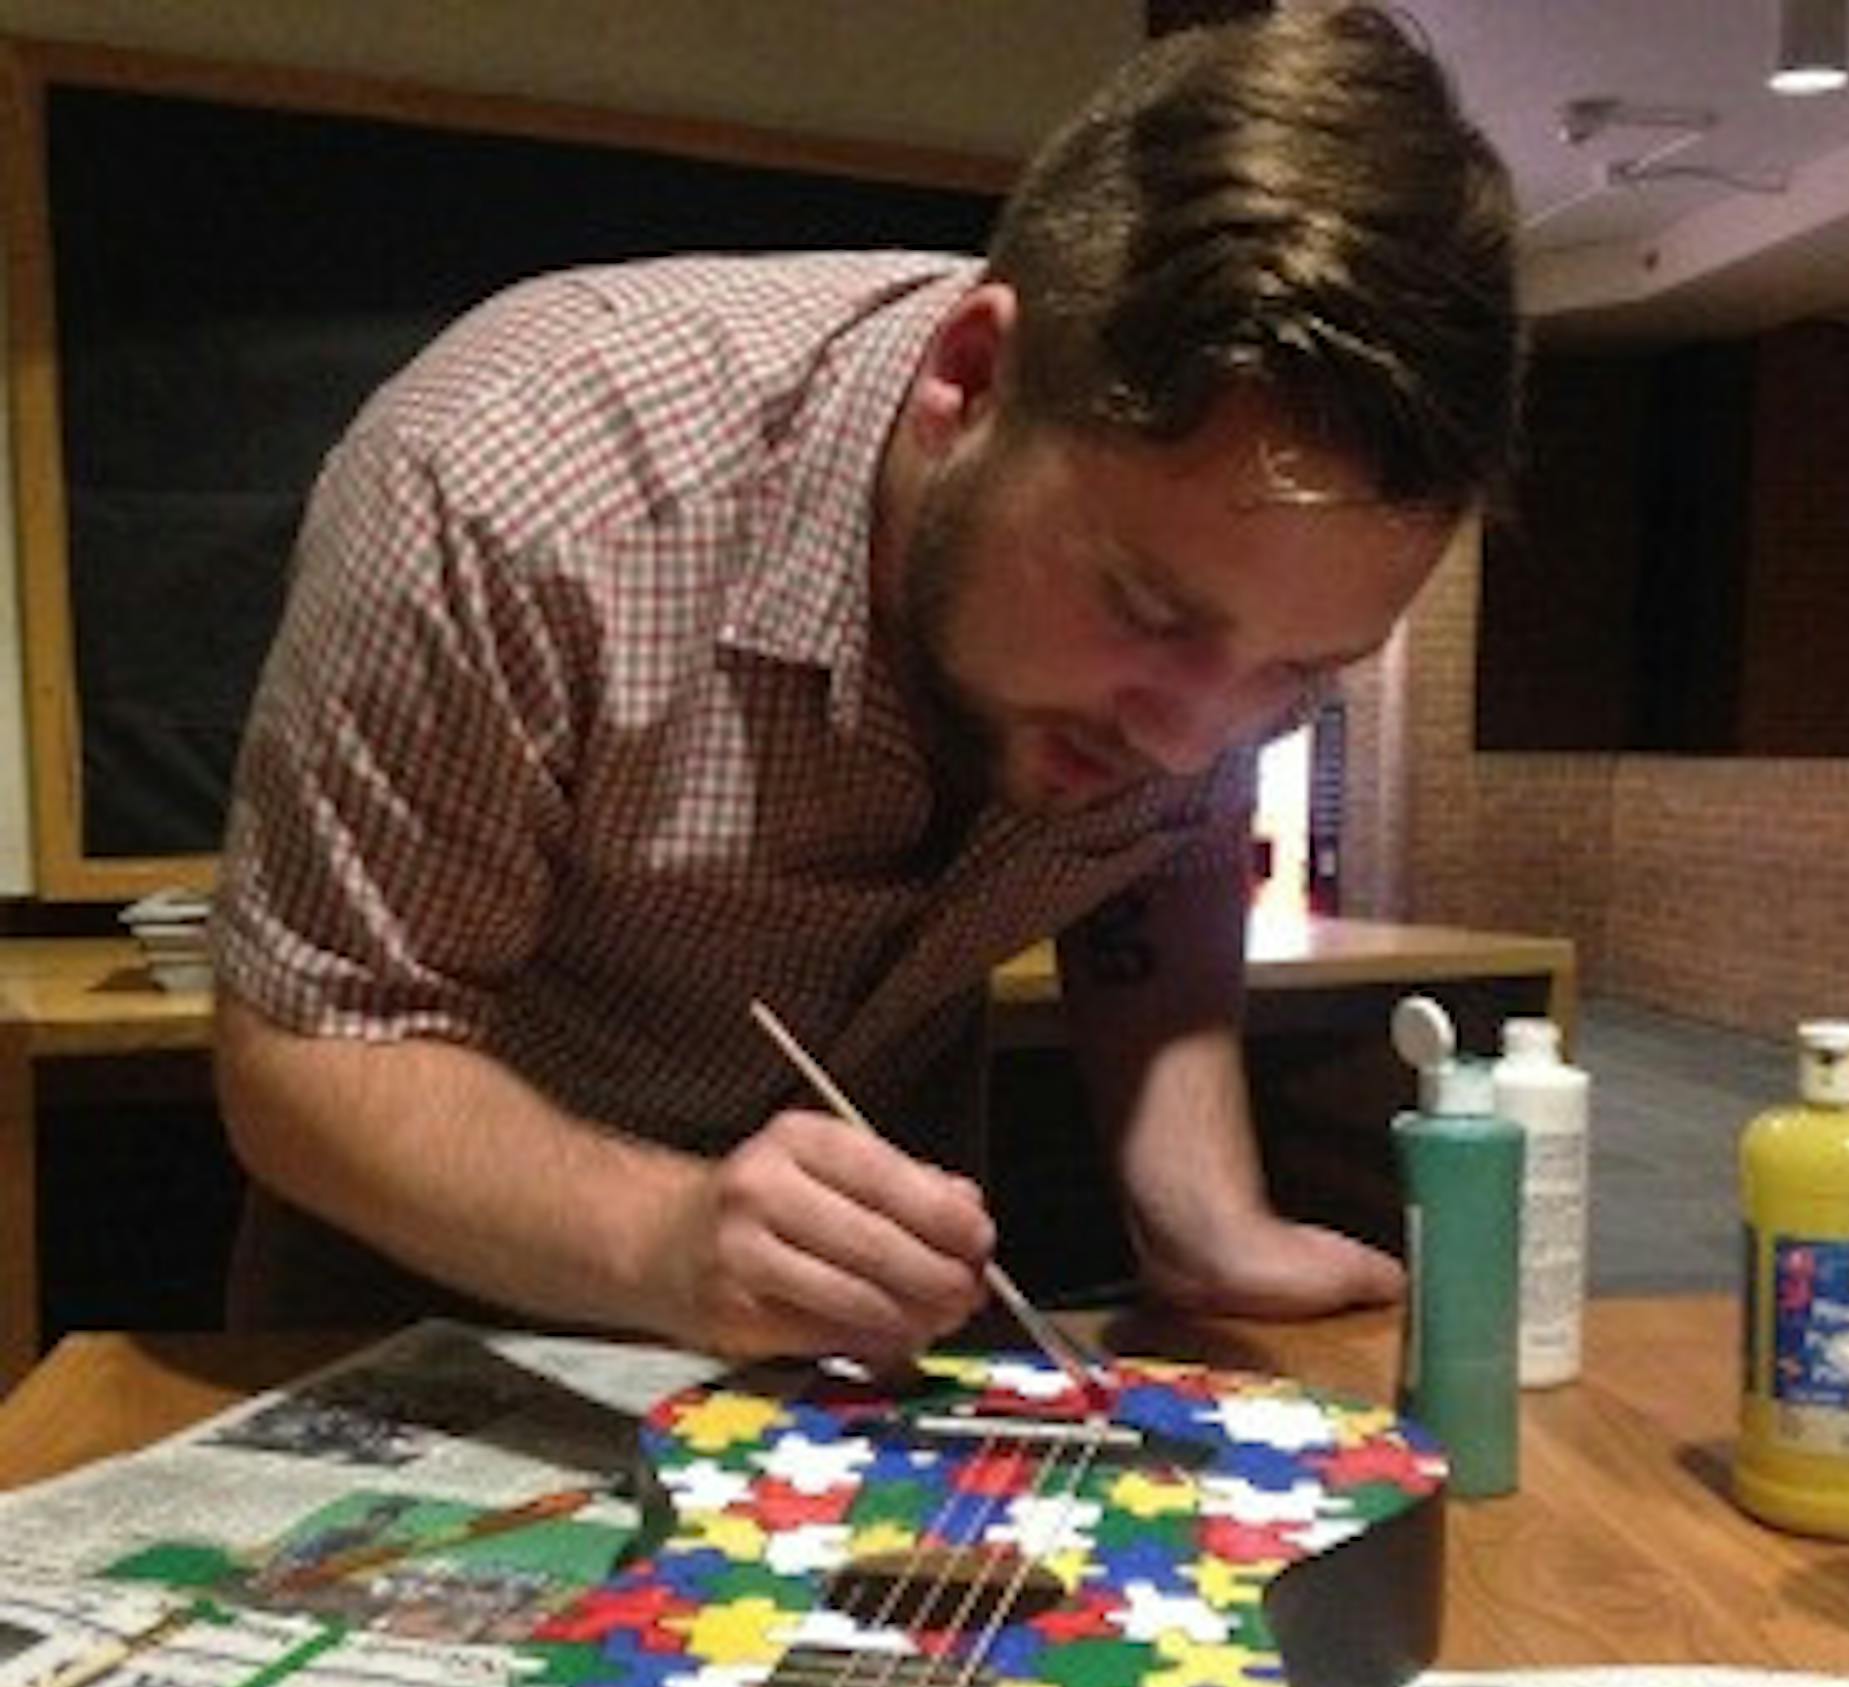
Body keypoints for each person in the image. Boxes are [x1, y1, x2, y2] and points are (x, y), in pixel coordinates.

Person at [211, 4, 1520, 1371]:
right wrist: (659, 1240)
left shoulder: (1200, 644)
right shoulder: (511, 487)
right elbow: (312, 1050)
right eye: (1146, 609)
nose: (1195, 736)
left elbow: (1160, 849)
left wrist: (1204, 1216)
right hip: (421, 1355)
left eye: (1297, 675)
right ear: (969, 380)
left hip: (858, 1368)